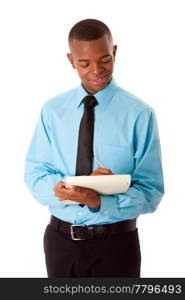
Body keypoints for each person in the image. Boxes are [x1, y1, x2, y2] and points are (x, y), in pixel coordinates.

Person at [24, 18, 164, 278]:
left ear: (114, 52)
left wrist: (98, 200)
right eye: (85, 63)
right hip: (60, 244)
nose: (97, 71)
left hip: (116, 246)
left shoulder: (139, 114)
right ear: (71, 60)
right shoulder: (52, 111)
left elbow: (152, 192)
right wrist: (67, 189)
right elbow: (35, 174)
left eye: (105, 59)